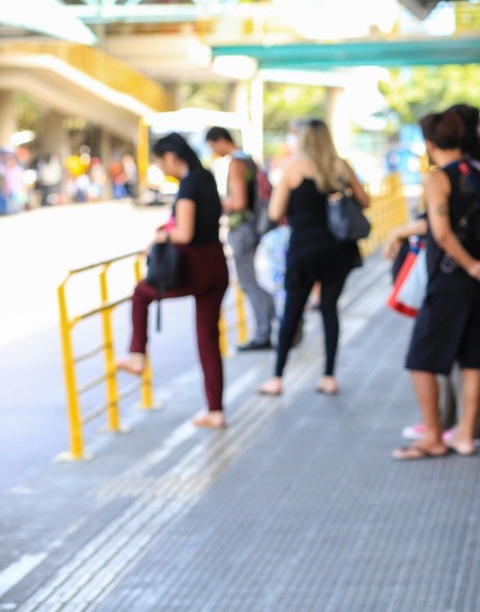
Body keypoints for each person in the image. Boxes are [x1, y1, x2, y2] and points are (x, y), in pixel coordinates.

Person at [393, 109, 480, 460]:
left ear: (429, 143)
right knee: (471, 360)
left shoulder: (436, 178)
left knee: (420, 360)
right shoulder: (474, 173)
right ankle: (465, 436)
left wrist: (471, 264)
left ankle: (433, 436)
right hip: (478, 281)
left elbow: (440, 232)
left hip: (449, 279)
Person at [117, 133, 230, 429]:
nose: (160, 168)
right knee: (209, 341)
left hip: (195, 266)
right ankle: (215, 410)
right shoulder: (206, 178)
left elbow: (184, 234)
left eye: (159, 161)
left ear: (170, 156)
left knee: (141, 294)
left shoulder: (189, 185)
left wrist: (161, 236)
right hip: (216, 264)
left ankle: (137, 354)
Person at [257, 119, 369, 397]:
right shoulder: (341, 166)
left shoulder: (293, 169)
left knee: (292, 311)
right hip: (338, 250)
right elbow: (365, 201)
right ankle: (329, 376)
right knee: (330, 309)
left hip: (304, 249)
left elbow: (274, 212)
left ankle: (277, 377)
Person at [206, 126, 277, 351]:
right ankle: (282, 321)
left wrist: (215, 203)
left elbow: (238, 202)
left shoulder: (236, 164)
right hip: (254, 226)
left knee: (248, 283)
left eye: (211, 146)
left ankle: (264, 332)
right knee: (252, 281)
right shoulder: (248, 159)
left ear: (219, 141)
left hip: (242, 229)